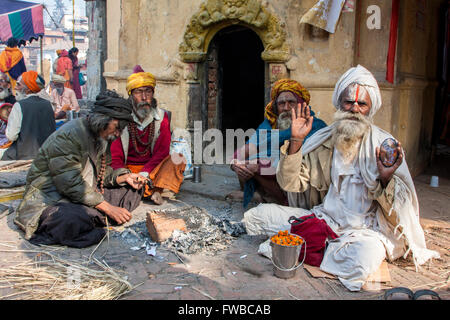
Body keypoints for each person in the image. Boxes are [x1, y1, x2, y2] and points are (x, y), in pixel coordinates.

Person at [243, 65, 440, 291]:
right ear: (340, 104)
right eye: (349, 102)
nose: (354, 108)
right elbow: (290, 184)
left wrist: (386, 180)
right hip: (324, 219)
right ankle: (320, 246)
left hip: (365, 231)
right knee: (256, 216)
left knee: (362, 258)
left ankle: (307, 247)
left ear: (370, 108)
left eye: (361, 104)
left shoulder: (383, 145)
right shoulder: (323, 140)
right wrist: (296, 141)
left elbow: (402, 213)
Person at [14, 90, 147, 248]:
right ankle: (95, 217)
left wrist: (124, 177)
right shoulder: (69, 136)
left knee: (133, 188)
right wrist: (109, 208)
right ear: (103, 119)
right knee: (69, 219)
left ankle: (93, 217)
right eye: (117, 127)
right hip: (54, 199)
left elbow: (103, 173)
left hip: (87, 194)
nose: (118, 134)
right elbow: (70, 185)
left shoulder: (103, 135)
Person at [228, 79, 327, 207]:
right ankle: (262, 195)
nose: (286, 108)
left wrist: (260, 165)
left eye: (291, 102)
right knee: (244, 163)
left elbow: (307, 164)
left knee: (257, 165)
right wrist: (235, 163)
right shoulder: (269, 125)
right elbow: (249, 146)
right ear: (276, 106)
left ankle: (282, 202)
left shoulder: (315, 126)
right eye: (281, 103)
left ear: (301, 105)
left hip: (301, 180)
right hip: (273, 174)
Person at [110, 65, 185, 205]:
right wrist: (126, 176)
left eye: (148, 92)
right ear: (131, 95)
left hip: (152, 170)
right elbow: (115, 155)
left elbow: (162, 152)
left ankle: (144, 189)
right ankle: (152, 190)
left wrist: (145, 173)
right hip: (128, 170)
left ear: (153, 93)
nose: (144, 97)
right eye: (139, 92)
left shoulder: (162, 117)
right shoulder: (122, 118)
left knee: (178, 159)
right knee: (111, 171)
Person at [0, 71, 56, 160]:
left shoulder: (19, 106)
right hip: (48, 154)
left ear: (28, 89)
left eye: (18, 85)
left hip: (25, 155)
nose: (15, 87)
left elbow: (11, 136)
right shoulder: (49, 104)